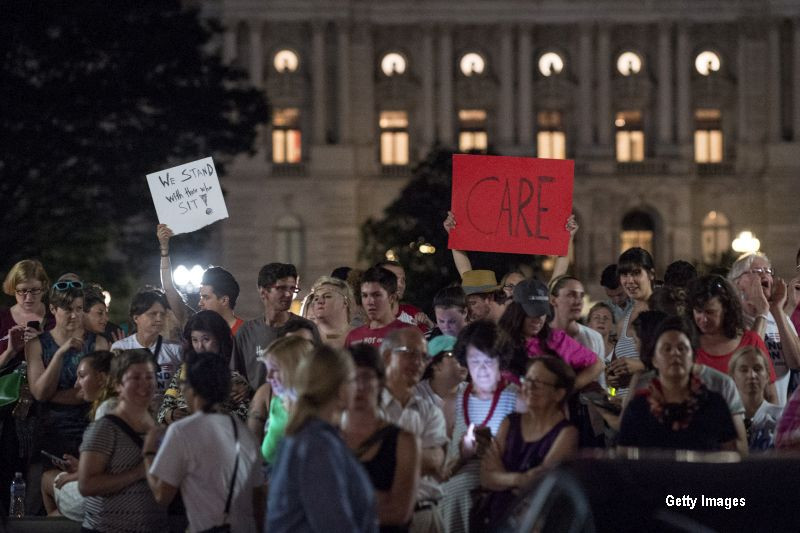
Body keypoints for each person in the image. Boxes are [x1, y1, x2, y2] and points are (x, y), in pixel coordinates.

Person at [144, 352, 265, 533]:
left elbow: (162, 495)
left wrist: (148, 452)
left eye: (183, 385)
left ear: (191, 388)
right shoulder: (245, 433)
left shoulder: (182, 431)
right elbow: (258, 501)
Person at [267, 345, 378, 532]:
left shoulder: (310, 437)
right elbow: (333, 524)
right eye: (352, 380)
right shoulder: (317, 445)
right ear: (340, 389)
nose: (357, 388)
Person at [440, 321, 521, 533]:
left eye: (489, 361)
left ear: (500, 361)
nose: (482, 369)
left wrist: (494, 449)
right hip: (456, 488)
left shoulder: (516, 398)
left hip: (502, 485)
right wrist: (463, 454)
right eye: (475, 361)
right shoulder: (453, 399)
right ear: (464, 361)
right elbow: (441, 457)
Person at [478, 356, 578, 527]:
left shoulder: (567, 433)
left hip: (534, 524)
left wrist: (502, 477)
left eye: (539, 383)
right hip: (498, 518)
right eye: (528, 379)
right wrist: (519, 479)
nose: (529, 387)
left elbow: (541, 489)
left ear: (558, 393)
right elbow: (486, 478)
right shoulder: (509, 423)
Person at [78, 349, 167, 532]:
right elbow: (86, 485)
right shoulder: (105, 428)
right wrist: (138, 472)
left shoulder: (157, 429)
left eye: (149, 377)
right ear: (118, 384)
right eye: (135, 378)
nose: (144, 385)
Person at [618, 317, 738, 451]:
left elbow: (730, 458)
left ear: (693, 357)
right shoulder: (638, 408)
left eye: (682, 348)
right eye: (667, 349)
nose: (675, 353)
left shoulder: (714, 404)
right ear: (654, 360)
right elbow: (624, 461)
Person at [26, 283, 109, 467]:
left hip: (88, 429)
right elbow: (39, 393)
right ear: (53, 309)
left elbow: (95, 391)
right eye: (68, 309)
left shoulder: (98, 343)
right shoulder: (37, 344)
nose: (74, 315)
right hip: (48, 431)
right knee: (36, 489)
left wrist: (52, 395)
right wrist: (60, 354)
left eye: (79, 309)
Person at [342, 344, 420, 532]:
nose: (359, 387)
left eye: (366, 378)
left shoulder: (404, 441)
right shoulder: (326, 437)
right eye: (352, 378)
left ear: (381, 382)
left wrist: (338, 499)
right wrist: (377, 498)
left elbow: (399, 512)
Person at [379, 328, 448, 533]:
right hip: (381, 519)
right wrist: (417, 457)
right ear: (387, 356)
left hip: (426, 516)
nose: (419, 362)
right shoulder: (367, 410)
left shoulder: (430, 411)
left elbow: (436, 460)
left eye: (424, 356)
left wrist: (381, 456)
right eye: (410, 353)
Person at [0, 259, 53, 513]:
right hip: (7, 407)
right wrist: (10, 351)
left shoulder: (53, 318)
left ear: (44, 287)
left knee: (38, 466)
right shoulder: (3, 318)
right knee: (8, 463)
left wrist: (41, 344)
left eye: (34, 290)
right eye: (22, 290)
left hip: (45, 404)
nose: (28, 297)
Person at [45, 350, 115, 520]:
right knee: (56, 515)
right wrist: (80, 466)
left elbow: (111, 468)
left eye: (82, 376)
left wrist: (76, 474)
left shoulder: (107, 410)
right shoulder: (121, 404)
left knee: (47, 478)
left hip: (105, 498)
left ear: (102, 378)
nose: (76, 384)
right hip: (117, 494)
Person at [500, 279, 603, 390]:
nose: (539, 319)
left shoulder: (557, 339)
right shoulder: (498, 341)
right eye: (532, 312)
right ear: (516, 311)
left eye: (542, 313)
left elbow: (597, 364)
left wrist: (567, 391)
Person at [688, 275, 778, 403]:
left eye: (710, 312)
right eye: (698, 311)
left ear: (725, 309)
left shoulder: (751, 341)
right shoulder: (687, 344)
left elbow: (770, 395)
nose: (703, 319)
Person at [232, 262, 320, 390]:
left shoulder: (306, 329)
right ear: (263, 292)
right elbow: (235, 374)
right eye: (281, 288)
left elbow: (319, 371)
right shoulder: (246, 332)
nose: (288, 294)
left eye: (292, 289)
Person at [729, 252, 800, 405]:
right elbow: (747, 359)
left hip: (777, 416)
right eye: (757, 271)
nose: (765, 276)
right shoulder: (731, 320)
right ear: (738, 282)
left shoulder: (778, 315)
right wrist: (761, 312)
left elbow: (796, 362)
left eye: (768, 271)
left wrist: (778, 311)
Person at [158, 310, 250, 425]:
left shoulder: (232, 377)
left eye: (206, 339)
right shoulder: (183, 372)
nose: (200, 346)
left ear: (219, 339)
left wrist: (217, 419)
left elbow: (246, 412)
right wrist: (170, 414)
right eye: (195, 340)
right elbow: (165, 406)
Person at [156, 224, 245, 334]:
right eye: (201, 297)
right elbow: (169, 288)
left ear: (224, 300)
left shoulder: (246, 333)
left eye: (206, 297)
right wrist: (164, 248)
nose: (200, 303)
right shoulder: (196, 325)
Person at [111, 289, 183, 407]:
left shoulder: (175, 349)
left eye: (162, 314)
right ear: (136, 318)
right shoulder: (121, 348)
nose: (159, 319)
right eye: (153, 314)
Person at [607, 248, 656, 396]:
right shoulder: (622, 322)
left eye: (636, 273)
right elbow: (615, 371)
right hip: (625, 410)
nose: (629, 281)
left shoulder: (664, 312)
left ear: (651, 274)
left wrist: (641, 367)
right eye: (624, 274)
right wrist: (611, 380)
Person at [259, 336, 314, 466]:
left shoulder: (315, 412)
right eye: (268, 370)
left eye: (276, 370)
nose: (268, 377)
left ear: (298, 369)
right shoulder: (277, 403)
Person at [729, 345, 783, 451]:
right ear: (733, 377)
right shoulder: (724, 420)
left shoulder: (781, 417)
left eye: (757, 369)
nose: (752, 375)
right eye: (744, 370)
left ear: (767, 376)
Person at [415, 335, 467, 438]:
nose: (462, 361)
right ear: (435, 364)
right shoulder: (415, 396)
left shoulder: (472, 393)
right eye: (453, 354)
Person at [346, 267, 411, 348]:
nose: (370, 302)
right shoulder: (353, 336)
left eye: (377, 295)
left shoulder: (409, 333)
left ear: (392, 298)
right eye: (365, 295)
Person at [549, 276, 605, 359]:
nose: (578, 302)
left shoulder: (595, 338)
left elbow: (600, 371)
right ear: (553, 300)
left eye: (581, 296)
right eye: (571, 295)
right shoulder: (541, 337)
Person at [376, 260, 433, 332]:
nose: (401, 285)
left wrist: (431, 326)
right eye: (394, 278)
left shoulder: (413, 313)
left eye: (403, 280)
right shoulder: (366, 319)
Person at [310, 275, 354, 348]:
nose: (320, 301)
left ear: (345, 302)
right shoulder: (306, 336)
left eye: (327, 296)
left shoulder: (360, 336)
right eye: (316, 298)